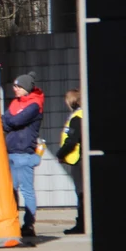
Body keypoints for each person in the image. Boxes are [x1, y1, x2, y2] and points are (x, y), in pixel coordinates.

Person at [2, 73, 44, 238]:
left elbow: (14, 121)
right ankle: (13, 223)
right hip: (11, 152)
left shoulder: (34, 105)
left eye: (19, 86)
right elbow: (4, 121)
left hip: (24, 153)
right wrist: (9, 121)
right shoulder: (15, 103)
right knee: (11, 190)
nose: (15, 89)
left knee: (26, 190)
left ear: (26, 88)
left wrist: (9, 121)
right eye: (14, 86)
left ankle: (29, 224)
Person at [57, 88, 84, 235]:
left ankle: (81, 224)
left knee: (81, 193)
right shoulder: (84, 115)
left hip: (78, 161)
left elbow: (71, 141)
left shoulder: (76, 118)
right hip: (83, 159)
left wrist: (60, 154)